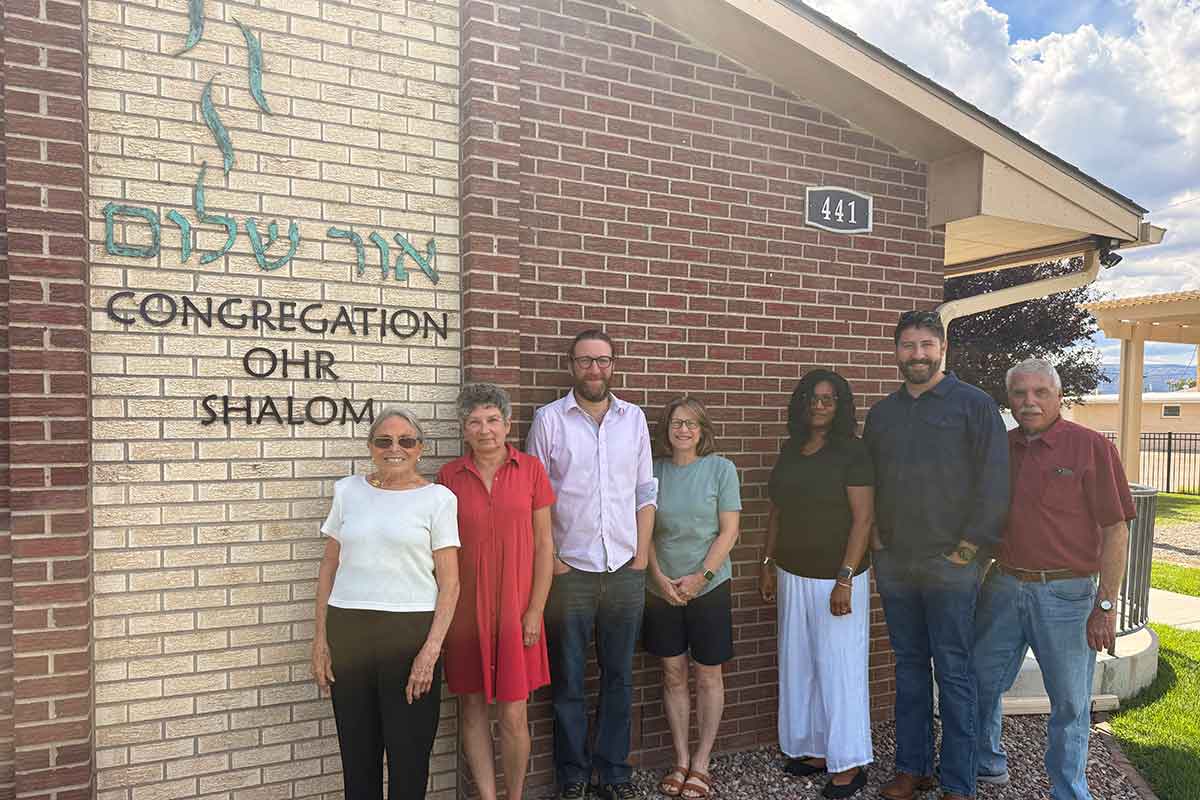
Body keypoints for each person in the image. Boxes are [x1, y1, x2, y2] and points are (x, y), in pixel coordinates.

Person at [862, 310, 1009, 800]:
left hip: (952, 564)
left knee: (954, 671)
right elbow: (871, 483)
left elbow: (994, 483)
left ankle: (959, 782)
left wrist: (968, 551)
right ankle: (912, 768)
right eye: (908, 345)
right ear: (896, 351)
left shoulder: (974, 405)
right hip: (896, 563)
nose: (917, 354)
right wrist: (879, 541)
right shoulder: (882, 415)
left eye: (926, 344)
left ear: (943, 348)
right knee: (908, 669)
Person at [975, 359, 1135, 800]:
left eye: (1040, 393)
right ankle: (986, 764)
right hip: (1004, 585)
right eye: (1020, 394)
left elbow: (1116, 529)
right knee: (980, 683)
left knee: (1068, 702)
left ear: (1058, 396)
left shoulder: (1090, 448)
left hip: (1066, 595)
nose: (1029, 402)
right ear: (1009, 399)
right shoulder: (999, 448)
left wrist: (1105, 604)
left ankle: (1069, 789)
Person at [527, 329, 657, 800]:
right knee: (569, 679)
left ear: (614, 364)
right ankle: (573, 774)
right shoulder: (548, 420)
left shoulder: (634, 419)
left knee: (620, 677)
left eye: (603, 360)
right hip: (570, 574)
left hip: (625, 568)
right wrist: (555, 561)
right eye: (585, 361)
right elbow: (535, 498)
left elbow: (646, 491)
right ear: (571, 366)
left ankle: (614, 771)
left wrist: (641, 555)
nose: (595, 369)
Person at [311, 408, 461, 800]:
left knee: (409, 755)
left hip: (409, 635)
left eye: (406, 441)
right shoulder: (348, 491)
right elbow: (329, 565)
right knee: (357, 756)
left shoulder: (439, 500)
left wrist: (430, 651)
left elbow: (450, 584)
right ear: (370, 447)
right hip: (349, 632)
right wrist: (320, 640)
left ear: (420, 448)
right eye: (385, 441)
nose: (395, 449)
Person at [438, 383, 556, 800]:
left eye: (492, 420)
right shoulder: (448, 476)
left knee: (512, 709)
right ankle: (487, 796)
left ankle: (515, 794)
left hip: (516, 606)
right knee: (470, 706)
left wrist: (534, 610)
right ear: (463, 429)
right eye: (474, 422)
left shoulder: (532, 471)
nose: (484, 429)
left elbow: (545, 545)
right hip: (465, 610)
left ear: (507, 424)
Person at [761, 369, 875, 799]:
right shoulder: (792, 449)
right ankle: (814, 748)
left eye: (829, 398)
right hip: (792, 572)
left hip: (837, 578)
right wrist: (767, 563)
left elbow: (863, 518)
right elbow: (777, 510)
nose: (820, 404)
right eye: (813, 397)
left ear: (841, 405)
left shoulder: (853, 452)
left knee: (839, 668)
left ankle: (849, 761)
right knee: (801, 664)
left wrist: (845, 578)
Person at [645, 396, 741, 800]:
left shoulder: (721, 469)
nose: (683, 430)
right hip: (662, 587)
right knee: (672, 673)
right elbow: (643, 531)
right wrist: (659, 577)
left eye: (691, 423)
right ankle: (680, 758)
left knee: (707, 673)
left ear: (703, 430)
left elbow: (728, 532)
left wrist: (700, 578)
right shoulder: (653, 471)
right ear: (666, 431)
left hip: (709, 586)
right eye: (675, 423)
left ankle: (702, 762)